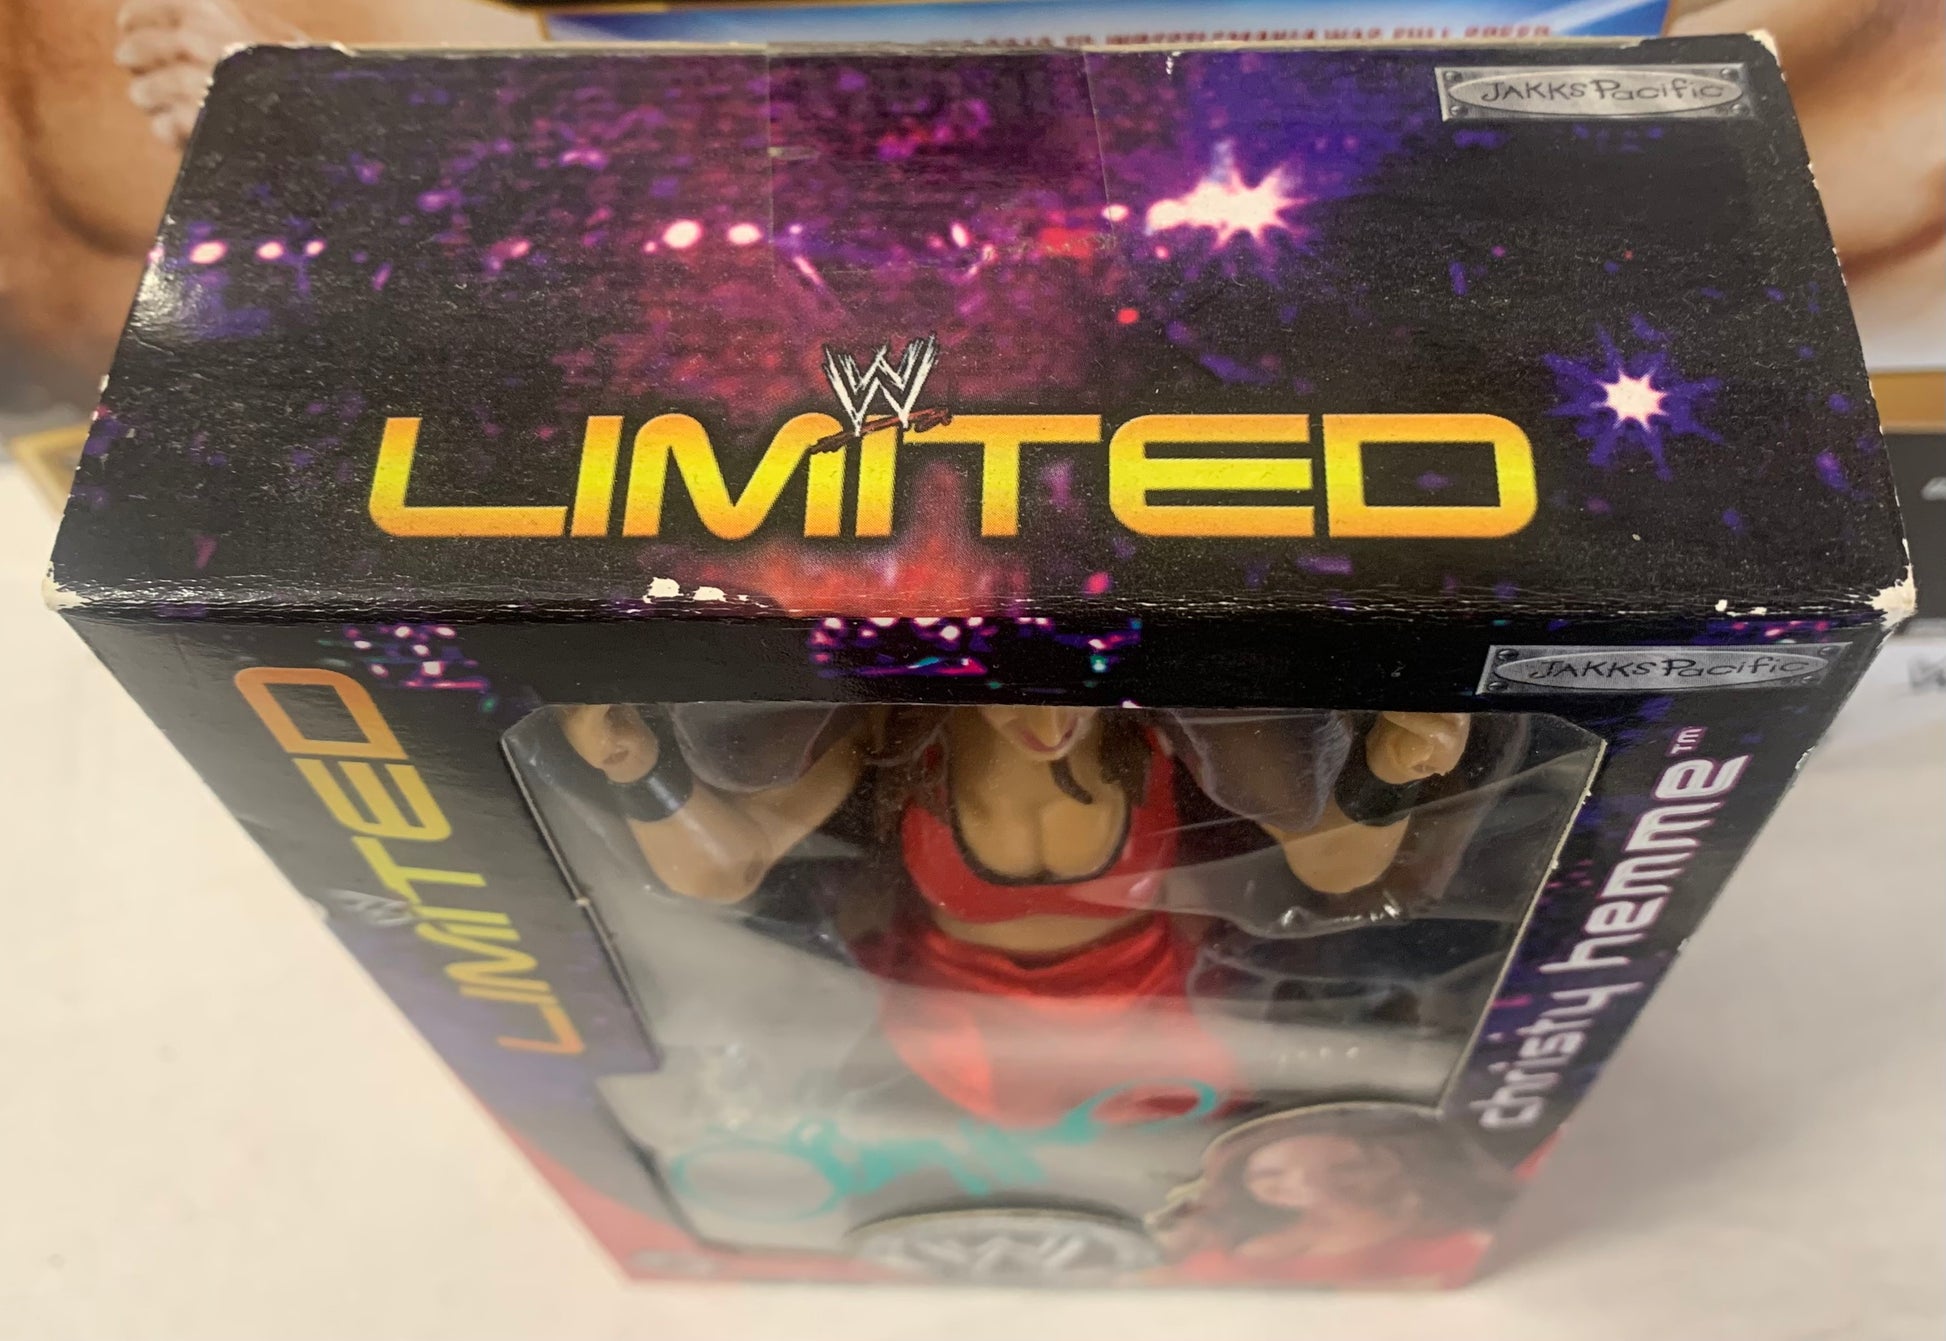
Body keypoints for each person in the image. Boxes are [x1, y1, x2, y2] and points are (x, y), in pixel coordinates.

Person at [560, 702, 1469, 1126]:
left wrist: (1387, 769)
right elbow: (724, 868)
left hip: (1149, 999)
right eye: (1010, 676)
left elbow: (1332, 862)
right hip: (964, 1014)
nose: (1045, 712)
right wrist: (640, 768)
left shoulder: (1160, 732)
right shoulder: (895, 734)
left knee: (1205, 1114)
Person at [1150, 1103, 1513, 1286]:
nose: (1310, 1188)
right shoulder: (1242, 1239)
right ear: (1239, 1182)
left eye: (1345, 1168)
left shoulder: (1449, 1233)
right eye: (1269, 1175)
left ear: (1392, 1164)